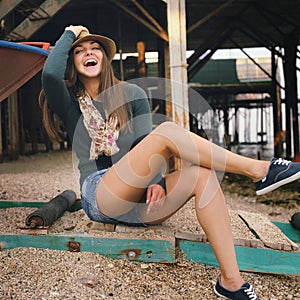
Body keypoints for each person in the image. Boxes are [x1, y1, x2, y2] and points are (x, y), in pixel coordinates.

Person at [40, 25, 300, 300]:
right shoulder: (69, 103)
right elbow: (50, 74)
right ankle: (259, 170)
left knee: (201, 174)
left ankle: (231, 282)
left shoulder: (131, 95)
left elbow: (143, 144)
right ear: (72, 61)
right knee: (166, 132)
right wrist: (70, 33)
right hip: (100, 193)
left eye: (94, 49)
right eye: (79, 51)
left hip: (139, 203)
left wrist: (157, 181)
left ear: (104, 58)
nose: (88, 53)